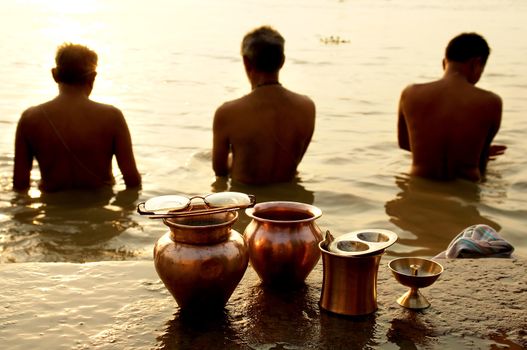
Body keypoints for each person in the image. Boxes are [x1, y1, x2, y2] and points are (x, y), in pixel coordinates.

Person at [13, 43, 141, 192]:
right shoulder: (112, 117)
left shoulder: (30, 118)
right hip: (99, 208)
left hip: (52, 210)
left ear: (54, 74)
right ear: (93, 77)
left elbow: (20, 184)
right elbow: (132, 180)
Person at [212, 26, 315, 185]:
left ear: (246, 62)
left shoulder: (227, 113)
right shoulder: (307, 107)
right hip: (289, 207)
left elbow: (220, 172)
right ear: (282, 61)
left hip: (245, 204)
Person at [397, 32, 506, 182]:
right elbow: (480, 161)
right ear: (476, 63)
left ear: (444, 63)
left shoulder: (410, 93)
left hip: (422, 182)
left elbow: (404, 143)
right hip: (465, 190)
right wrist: (483, 154)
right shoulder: (491, 101)